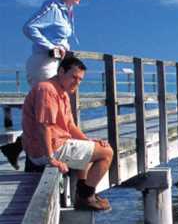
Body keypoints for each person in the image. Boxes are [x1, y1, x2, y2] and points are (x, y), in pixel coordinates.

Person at [2, 0, 94, 169]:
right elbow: (29, 28)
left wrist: (62, 48)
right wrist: (50, 47)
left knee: (47, 112)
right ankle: (43, 157)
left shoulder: (64, 10)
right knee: (45, 114)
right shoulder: (52, 6)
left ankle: (18, 149)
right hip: (44, 63)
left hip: (52, 63)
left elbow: (58, 36)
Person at [21, 54, 113, 211]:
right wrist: (51, 158)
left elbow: (69, 125)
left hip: (53, 145)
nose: (77, 83)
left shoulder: (62, 92)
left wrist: (88, 141)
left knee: (92, 148)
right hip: (45, 150)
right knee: (107, 153)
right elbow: (44, 126)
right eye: (74, 77)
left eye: (80, 80)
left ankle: (83, 194)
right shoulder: (47, 90)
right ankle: (85, 197)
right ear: (61, 71)